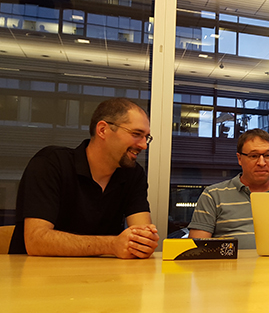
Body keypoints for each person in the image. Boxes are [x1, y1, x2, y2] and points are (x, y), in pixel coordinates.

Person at [9, 98, 159, 258]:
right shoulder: (51, 163)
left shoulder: (133, 174)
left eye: (146, 137)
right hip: (35, 276)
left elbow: (141, 237)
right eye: (136, 134)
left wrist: (144, 242)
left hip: (102, 276)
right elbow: (36, 241)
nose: (144, 145)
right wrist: (112, 245)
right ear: (102, 130)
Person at [188, 129, 269, 248]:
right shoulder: (213, 196)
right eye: (254, 156)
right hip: (230, 266)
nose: (262, 162)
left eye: (268, 155)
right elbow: (196, 250)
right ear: (239, 159)